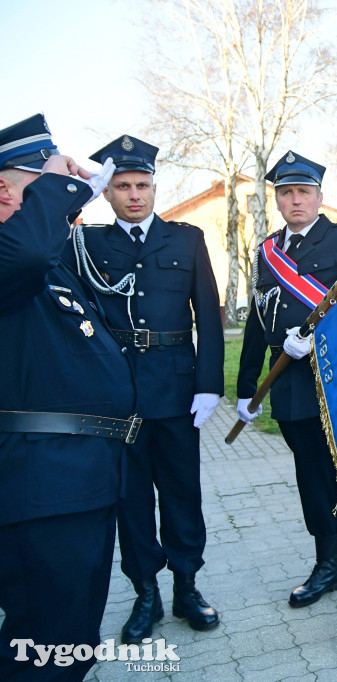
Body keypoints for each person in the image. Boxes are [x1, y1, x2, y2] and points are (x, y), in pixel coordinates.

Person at [236, 151, 337, 658]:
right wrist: (243, 389)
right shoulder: (267, 252)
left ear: (320, 197)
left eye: (303, 191)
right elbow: (260, 324)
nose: (294, 200)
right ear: (277, 200)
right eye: (285, 192)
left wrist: (322, 336)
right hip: (292, 395)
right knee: (314, 485)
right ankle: (329, 566)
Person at [68, 135, 224, 642]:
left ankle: (186, 587)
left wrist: (209, 385)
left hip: (178, 390)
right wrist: (76, 195)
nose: (134, 194)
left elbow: (210, 316)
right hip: (119, 394)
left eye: (142, 185)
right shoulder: (89, 243)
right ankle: (145, 595)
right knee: (131, 499)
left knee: (182, 491)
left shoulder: (186, 239)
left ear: (155, 188)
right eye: (122, 186)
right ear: (107, 193)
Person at [0, 115, 130, 680]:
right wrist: (59, 186)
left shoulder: (41, 259)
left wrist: (52, 192)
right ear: (5, 188)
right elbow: (24, 254)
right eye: (47, 173)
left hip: (78, 480)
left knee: (69, 635)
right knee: (44, 642)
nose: (72, 181)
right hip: (43, 483)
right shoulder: (17, 257)